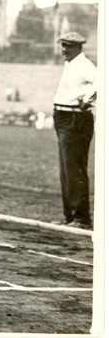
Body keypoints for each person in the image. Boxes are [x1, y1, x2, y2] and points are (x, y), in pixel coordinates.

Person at [51, 32, 97, 230]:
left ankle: (81, 218)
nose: (64, 50)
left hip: (75, 118)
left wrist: (87, 99)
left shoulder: (84, 65)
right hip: (62, 116)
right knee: (66, 169)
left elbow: (102, 80)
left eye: (69, 46)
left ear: (79, 47)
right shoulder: (70, 65)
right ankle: (69, 216)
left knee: (74, 167)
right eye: (63, 45)